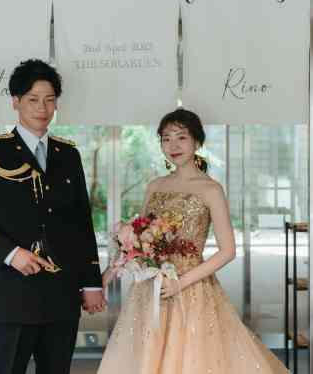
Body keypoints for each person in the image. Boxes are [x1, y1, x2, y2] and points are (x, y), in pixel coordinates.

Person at [99, 108, 289, 374]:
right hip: (150, 288)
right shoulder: (155, 186)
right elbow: (138, 241)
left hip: (191, 288)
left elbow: (228, 251)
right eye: (166, 139)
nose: (173, 145)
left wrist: (181, 283)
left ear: (197, 141)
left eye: (181, 137)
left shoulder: (211, 189)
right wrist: (106, 276)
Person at [0, 59, 105, 374]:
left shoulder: (69, 154)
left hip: (62, 296)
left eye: (49, 99)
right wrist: (11, 254)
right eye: (33, 99)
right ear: (15, 101)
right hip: (13, 297)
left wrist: (91, 283)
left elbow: (81, 223)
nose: (42, 108)